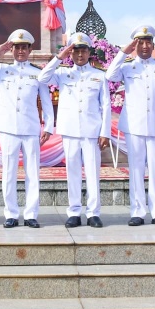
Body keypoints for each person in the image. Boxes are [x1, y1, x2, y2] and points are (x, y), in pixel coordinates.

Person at [0, 29, 54, 227]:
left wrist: (48, 126)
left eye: (24, 47)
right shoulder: (1, 70)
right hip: (8, 127)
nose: (20, 51)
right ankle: (11, 214)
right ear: (12, 49)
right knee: (9, 173)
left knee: (32, 173)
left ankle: (31, 215)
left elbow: (46, 100)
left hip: (30, 127)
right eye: (17, 47)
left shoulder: (37, 73)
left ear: (30, 49)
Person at [105, 26, 155, 227]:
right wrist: (123, 53)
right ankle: (137, 211)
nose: (144, 46)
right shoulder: (127, 67)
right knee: (136, 169)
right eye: (140, 43)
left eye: (148, 42)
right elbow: (109, 75)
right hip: (134, 126)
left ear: (153, 45)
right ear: (135, 45)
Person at [38, 32, 110, 228]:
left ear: (89, 52)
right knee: (73, 172)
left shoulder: (99, 75)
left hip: (91, 131)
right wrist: (60, 57)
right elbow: (42, 78)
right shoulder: (62, 73)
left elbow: (105, 105)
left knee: (93, 173)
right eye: (76, 51)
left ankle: (93, 213)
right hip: (70, 130)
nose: (79, 55)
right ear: (71, 53)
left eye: (83, 51)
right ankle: (74, 212)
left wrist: (105, 132)